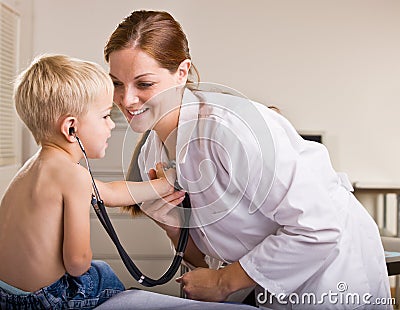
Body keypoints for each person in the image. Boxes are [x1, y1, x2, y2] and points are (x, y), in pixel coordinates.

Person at [104, 10, 392, 309]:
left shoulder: (232, 130)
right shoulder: (154, 151)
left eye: (144, 84)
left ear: (182, 72)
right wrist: (173, 227)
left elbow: (319, 225)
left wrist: (222, 282)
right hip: (267, 283)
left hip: (331, 270)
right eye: (117, 84)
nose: (126, 100)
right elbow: (206, 256)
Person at [0, 54, 179, 309]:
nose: (111, 126)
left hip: (6, 295)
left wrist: (162, 185)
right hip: (46, 300)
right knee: (101, 274)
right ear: (71, 128)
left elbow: (109, 192)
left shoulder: (33, 168)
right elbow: (77, 262)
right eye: (105, 116)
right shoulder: (74, 176)